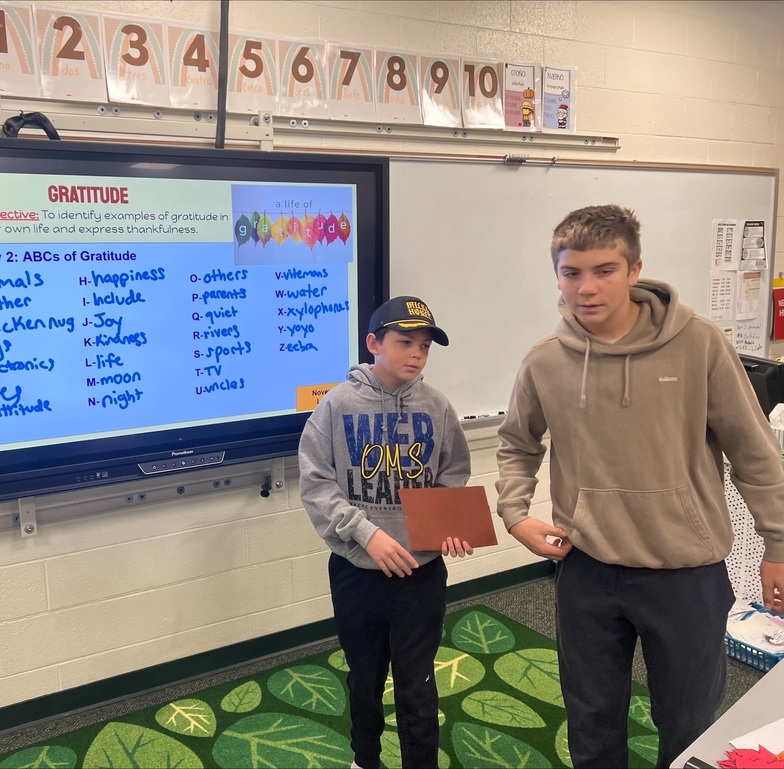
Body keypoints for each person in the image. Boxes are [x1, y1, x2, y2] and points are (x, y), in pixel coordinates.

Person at [494, 204, 784, 768]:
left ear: (634, 269)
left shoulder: (699, 344)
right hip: (588, 570)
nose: (586, 287)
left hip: (686, 573)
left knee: (688, 722)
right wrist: (515, 513)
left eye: (604, 270)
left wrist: (779, 545)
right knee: (592, 720)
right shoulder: (546, 361)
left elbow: (756, 453)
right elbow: (517, 443)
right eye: (571, 272)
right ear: (557, 274)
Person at [299, 295, 474, 769]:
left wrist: (449, 526)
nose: (416, 353)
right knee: (365, 675)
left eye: (425, 345)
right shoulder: (336, 406)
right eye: (404, 342)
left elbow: (452, 474)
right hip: (359, 572)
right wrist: (366, 534)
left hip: (421, 574)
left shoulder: (437, 407)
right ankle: (365, 758)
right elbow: (317, 484)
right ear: (374, 343)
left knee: (417, 679)